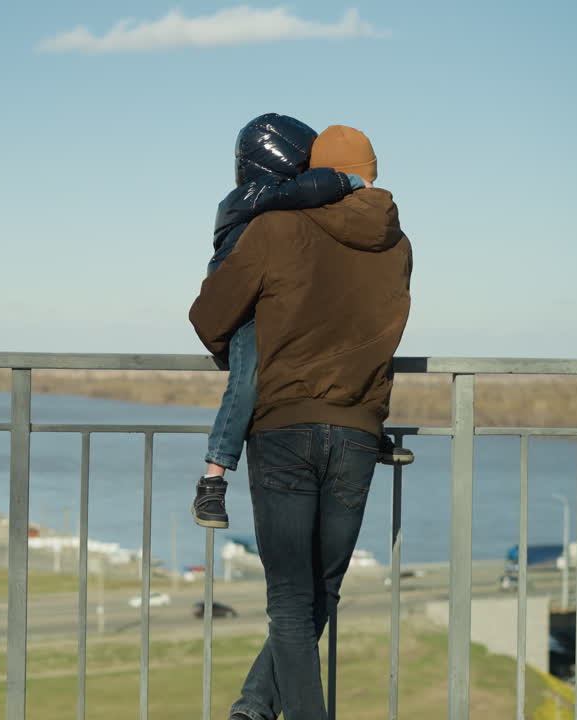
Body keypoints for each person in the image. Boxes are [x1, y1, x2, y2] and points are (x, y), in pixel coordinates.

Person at [189, 124, 413, 720]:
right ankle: (253, 708)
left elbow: (210, 315)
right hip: (360, 431)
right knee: (321, 592)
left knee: (290, 601)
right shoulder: (398, 245)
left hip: (284, 426)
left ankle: (259, 711)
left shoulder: (276, 227)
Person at [192, 115, 412, 531]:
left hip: (279, 342)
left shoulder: (281, 206)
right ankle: (213, 478)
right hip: (250, 310)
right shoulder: (257, 199)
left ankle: (373, 430)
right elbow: (307, 190)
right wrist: (344, 182)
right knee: (248, 379)